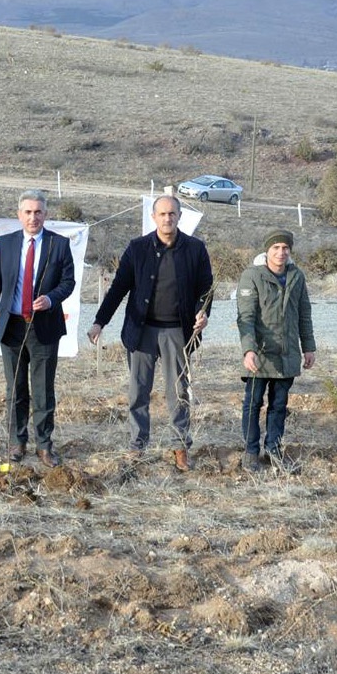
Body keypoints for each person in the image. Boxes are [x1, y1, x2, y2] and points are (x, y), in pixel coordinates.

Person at [87, 194, 213, 471]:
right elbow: (118, 289)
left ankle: (180, 446)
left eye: (172, 214)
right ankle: (137, 445)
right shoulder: (138, 248)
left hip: (177, 333)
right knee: (138, 393)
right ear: (154, 217)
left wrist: (203, 313)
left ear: (179, 217)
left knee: (178, 392)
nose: (168, 219)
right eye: (163, 214)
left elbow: (206, 290)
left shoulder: (195, 249)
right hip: (141, 331)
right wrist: (99, 322)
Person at [0, 190, 77, 467]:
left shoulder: (59, 244)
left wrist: (51, 298)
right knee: (15, 389)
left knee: (43, 389)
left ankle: (44, 446)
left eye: (38, 212)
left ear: (46, 215)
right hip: (11, 327)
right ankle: (16, 442)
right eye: (28, 212)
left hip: (44, 328)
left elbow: (68, 282)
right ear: (19, 214)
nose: (33, 217)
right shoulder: (6, 243)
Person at [236, 230, 315, 472]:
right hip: (259, 355)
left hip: (287, 354)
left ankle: (274, 449)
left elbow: (304, 314)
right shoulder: (252, 276)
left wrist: (308, 347)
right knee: (253, 403)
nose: (281, 253)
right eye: (276, 248)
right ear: (267, 251)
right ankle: (251, 451)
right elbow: (245, 317)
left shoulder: (296, 276)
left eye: (285, 248)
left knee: (279, 404)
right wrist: (249, 350)